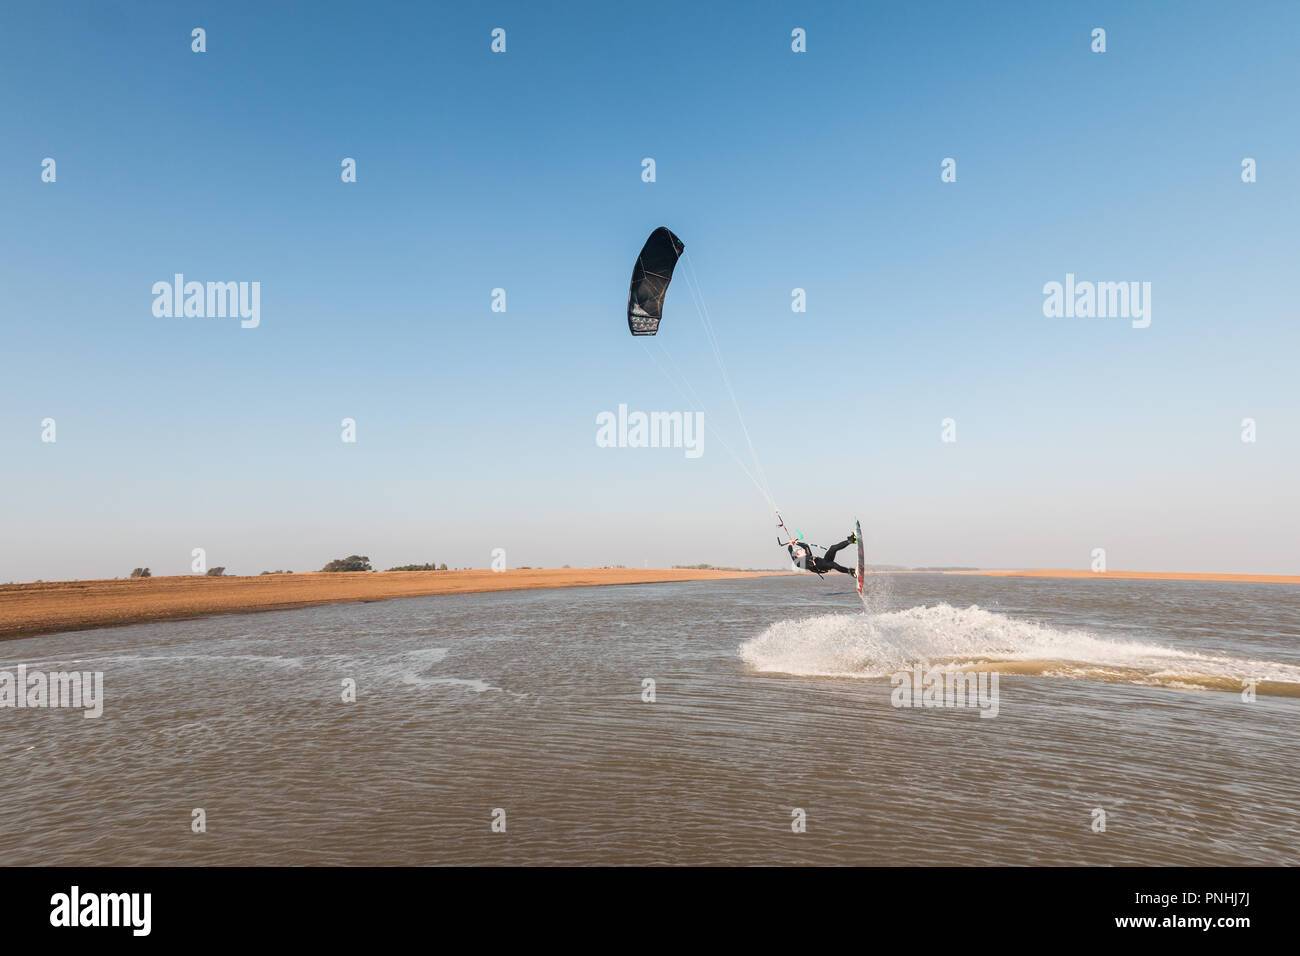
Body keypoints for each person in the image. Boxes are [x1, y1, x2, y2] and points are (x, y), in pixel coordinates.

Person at [784, 530, 857, 576]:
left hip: (825, 561)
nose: (803, 550)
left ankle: (851, 540)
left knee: (833, 548)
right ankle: (850, 571)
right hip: (821, 566)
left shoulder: (808, 555)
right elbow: (791, 552)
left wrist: (797, 542)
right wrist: (790, 545)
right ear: (798, 555)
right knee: (833, 565)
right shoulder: (798, 562)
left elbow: (805, 547)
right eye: (801, 551)